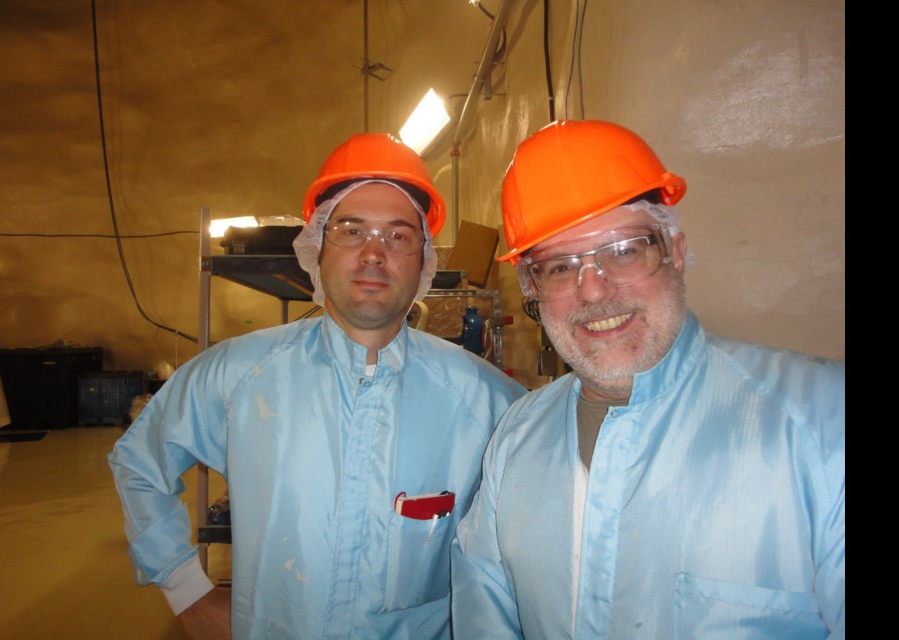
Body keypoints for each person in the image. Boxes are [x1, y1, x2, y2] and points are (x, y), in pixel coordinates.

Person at [108, 132, 526, 639]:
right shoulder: (238, 374)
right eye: (352, 231)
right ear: (316, 249)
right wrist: (185, 589)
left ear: (424, 261)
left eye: (398, 236)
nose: (374, 254)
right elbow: (140, 461)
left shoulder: (487, 403)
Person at [451, 120, 845, 639]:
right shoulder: (515, 438)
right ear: (533, 287)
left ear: (676, 252)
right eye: (561, 266)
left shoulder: (821, 423)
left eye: (622, 250)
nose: (593, 291)